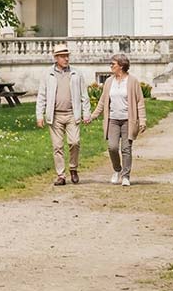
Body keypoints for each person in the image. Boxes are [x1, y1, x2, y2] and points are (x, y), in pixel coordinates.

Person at [87, 53, 146, 186]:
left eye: (113, 64)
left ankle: (126, 176)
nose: (111, 66)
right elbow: (102, 102)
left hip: (127, 120)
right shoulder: (109, 81)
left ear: (121, 66)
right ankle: (117, 170)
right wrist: (93, 116)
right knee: (112, 147)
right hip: (112, 120)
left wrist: (142, 120)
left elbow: (139, 102)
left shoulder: (133, 81)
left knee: (126, 149)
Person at [35, 45, 90, 185]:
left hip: (72, 114)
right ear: (56, 58)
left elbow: (84, 95)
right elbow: (42, 95)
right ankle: (61, 175)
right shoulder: (47, 74)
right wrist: (39, 115)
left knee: (74, 142)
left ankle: (73, 168)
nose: (66, 58)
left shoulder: (76, 73)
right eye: (62, 56)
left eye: (67, 56)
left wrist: (86, 113)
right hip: (55, 116)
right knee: (57, 146)